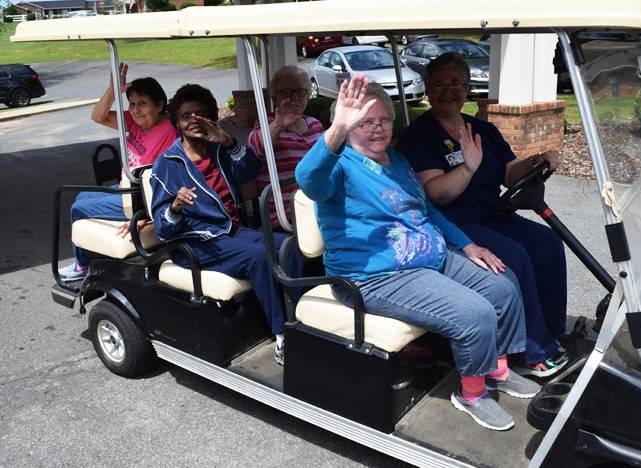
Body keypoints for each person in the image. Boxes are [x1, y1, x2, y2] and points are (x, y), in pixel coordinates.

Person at [295, 75, 539, 431]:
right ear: (346, 126)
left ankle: (496, 367)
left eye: (383, 119)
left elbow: (428, 212)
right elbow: (308, 180)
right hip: (375, 276)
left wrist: (467, 244)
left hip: (428, 257)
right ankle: (471, 393)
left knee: (501, 284)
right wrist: (336, 130)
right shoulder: (338, 167)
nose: (377, 128)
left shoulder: (396, 161)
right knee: (475, 312)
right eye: (364, 122)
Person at [396, 52, 569, 377]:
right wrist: (467, 167)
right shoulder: (418, 135)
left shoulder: (482, 130)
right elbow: (437, 193)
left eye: (455, 83)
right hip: (452, 222)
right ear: (428, 90)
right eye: (439, 85)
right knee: (514, 258)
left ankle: (551, 330)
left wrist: (535, 161)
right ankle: (530, 352)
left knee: (547, 243)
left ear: (466, 87)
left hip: (492, 213)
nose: (448, 91)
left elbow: (508, 173)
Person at [150, 84, 300, 365]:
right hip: (195, 243)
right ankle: (282, 336)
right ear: (177, 122)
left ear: (211, 118)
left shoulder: (219, 150)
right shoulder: (168, 164)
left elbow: (251, 170)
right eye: (186, 116)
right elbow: (162, 227)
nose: (194, 120)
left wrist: (229, 142)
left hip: (232, 231)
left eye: (201, 114)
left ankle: (301, 319)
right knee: (257, 257)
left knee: (291, 246)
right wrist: (175, 207)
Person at [59, 63, 179, 281]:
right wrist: (112, 93)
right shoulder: (134, 121)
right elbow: (98, 116)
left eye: (143, 104)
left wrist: (145, 216)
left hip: (140, 198)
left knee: (78, 208)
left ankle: (83, 266)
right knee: (82, 197)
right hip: (126, 187)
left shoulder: (168, 132)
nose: (136, 110)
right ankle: (94, 257)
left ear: (160, 104)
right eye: (132, 104)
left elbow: (168, 179)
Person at [246, 65, 324, 229]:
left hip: (320, 202)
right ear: (275, 98)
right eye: (286, 93)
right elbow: (252, 151)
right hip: (287, 212)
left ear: (308, 95)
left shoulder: (314, 124)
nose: (294, 98)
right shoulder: (266, 123)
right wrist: (279, 125)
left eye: (300, 92)